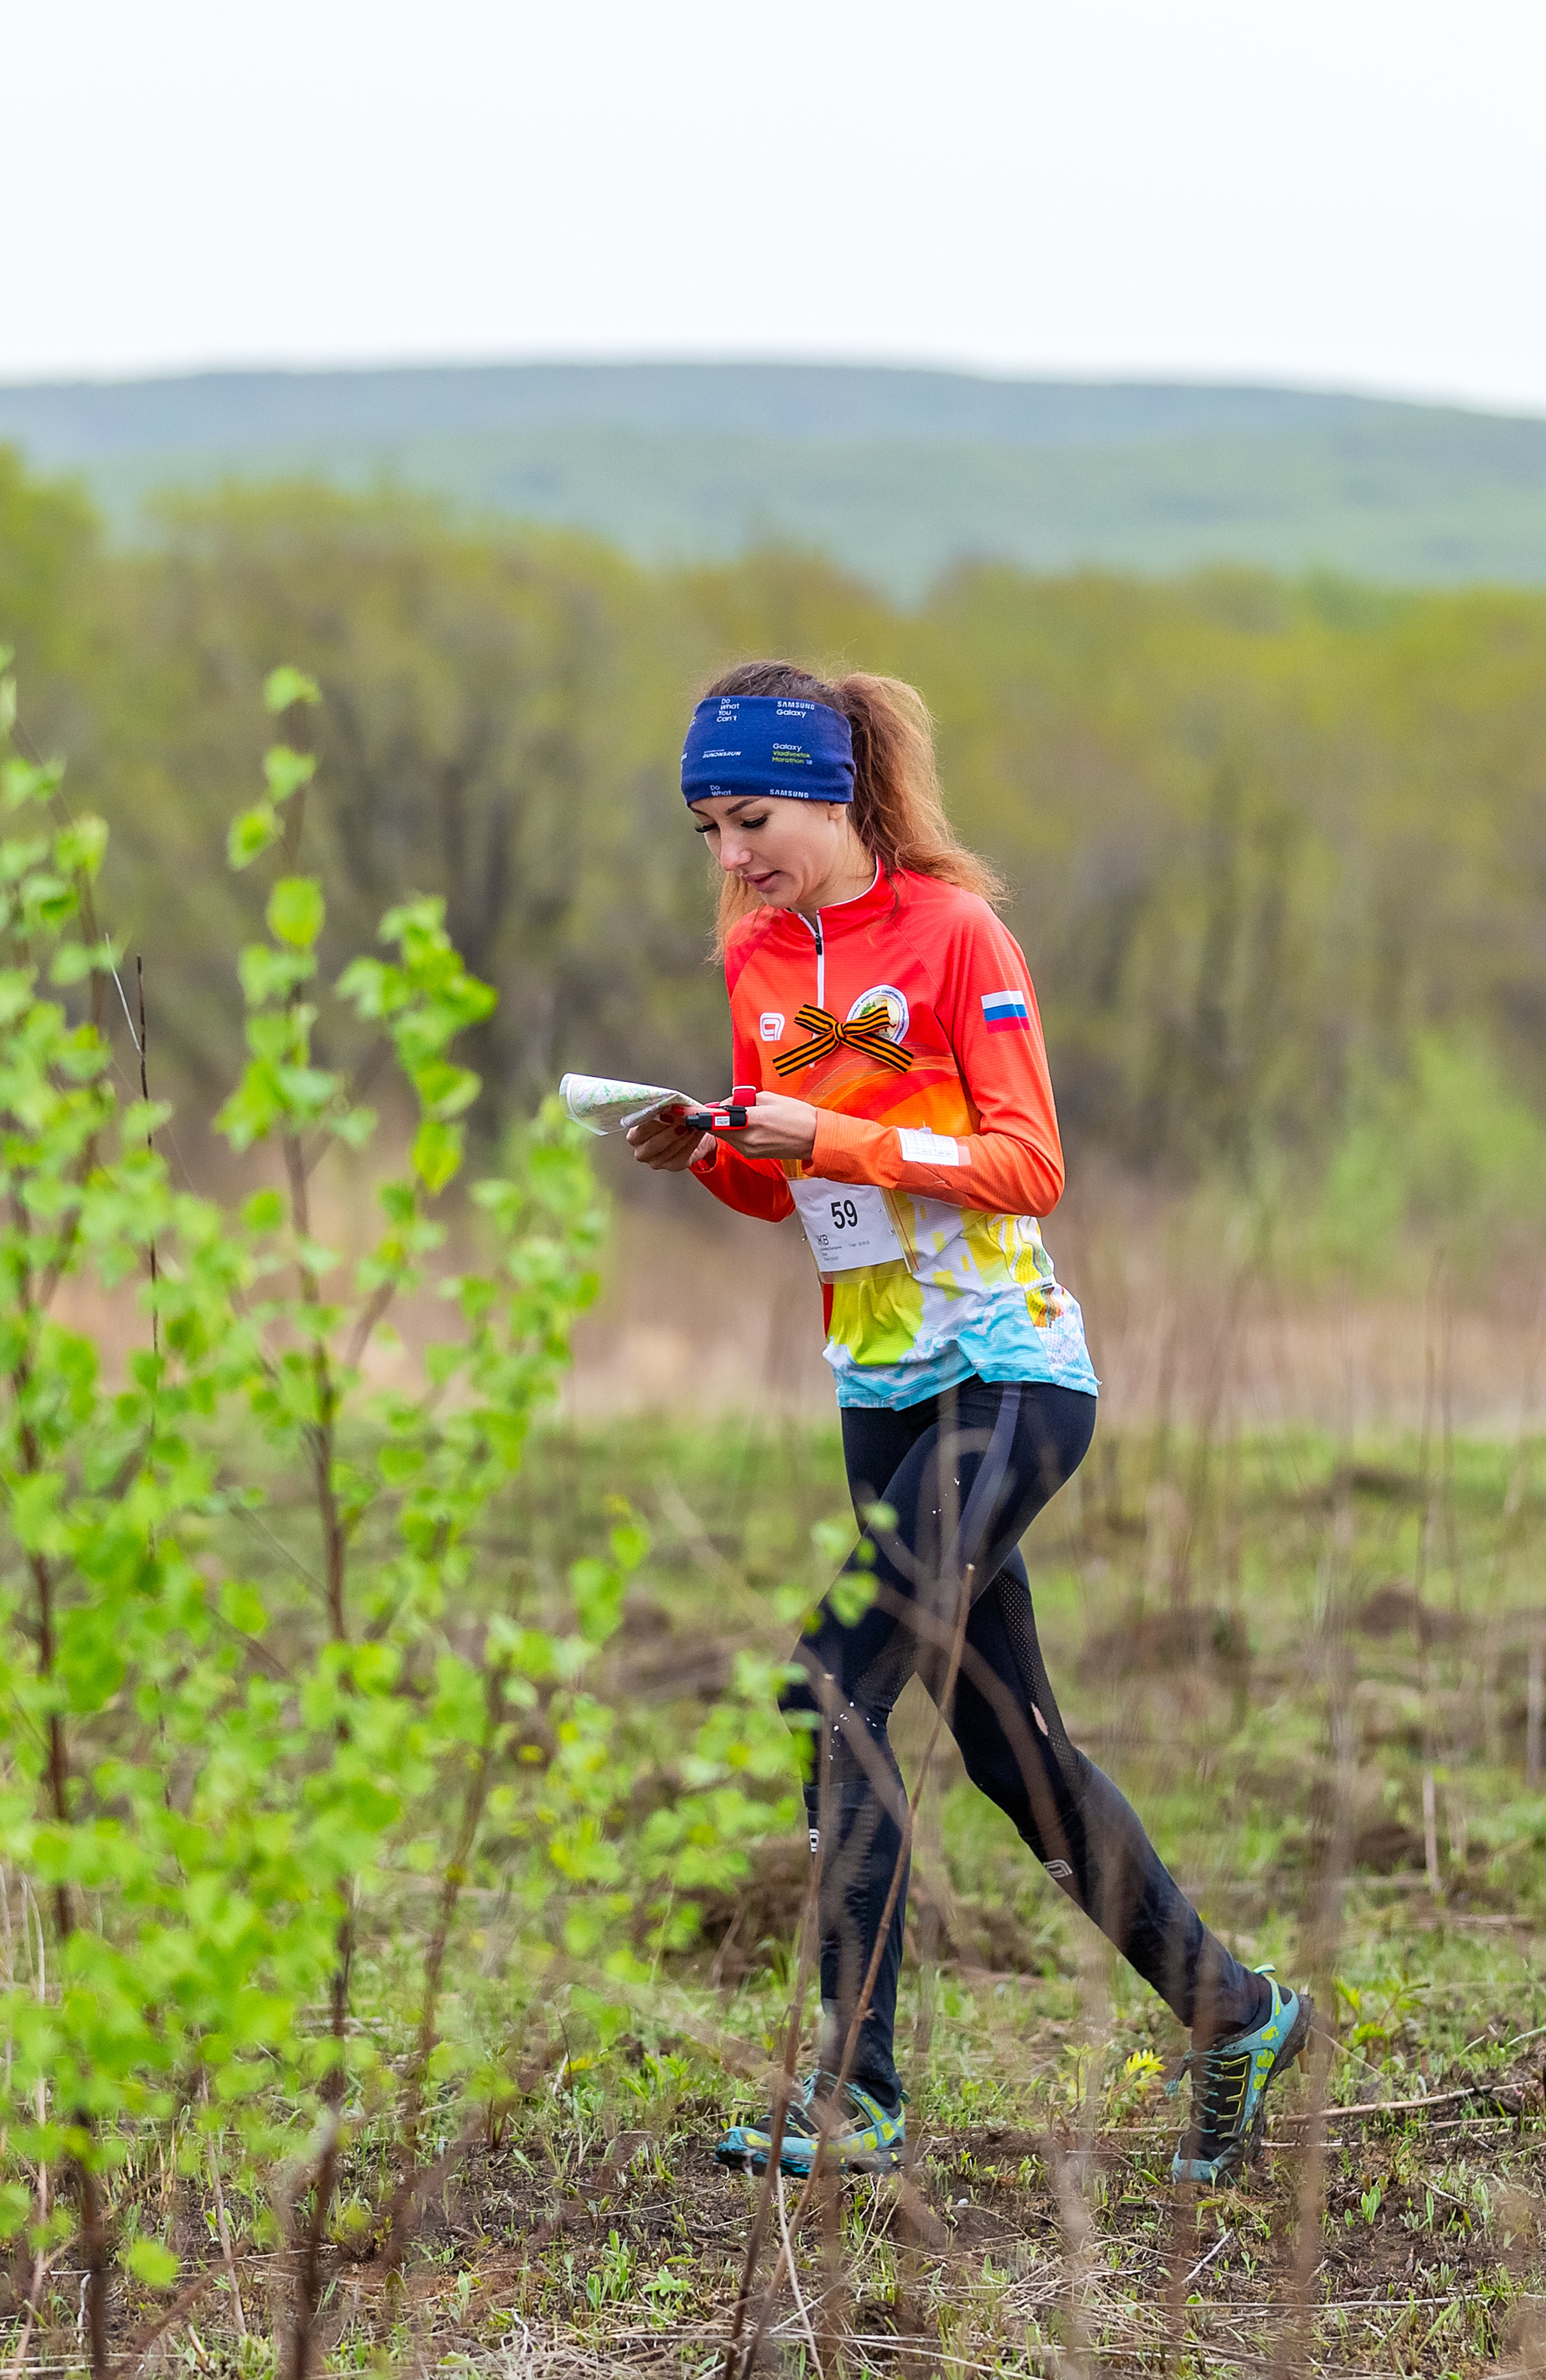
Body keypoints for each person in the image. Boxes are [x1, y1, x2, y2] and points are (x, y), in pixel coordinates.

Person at [627, 663, 1311, 2190]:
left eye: (752, 818)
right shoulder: (755, 958)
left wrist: (838, 1129)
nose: (730, 856)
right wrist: (712, 1154)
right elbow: (797, 1178)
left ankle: (855, 2096)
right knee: (1013, 1748)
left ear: (837, 795)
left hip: (1006, 1376)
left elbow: (1025, 1163)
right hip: (877, 1386)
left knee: (832, 1680)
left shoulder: (953, 935)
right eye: (704, 828)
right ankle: (1233, 2012)